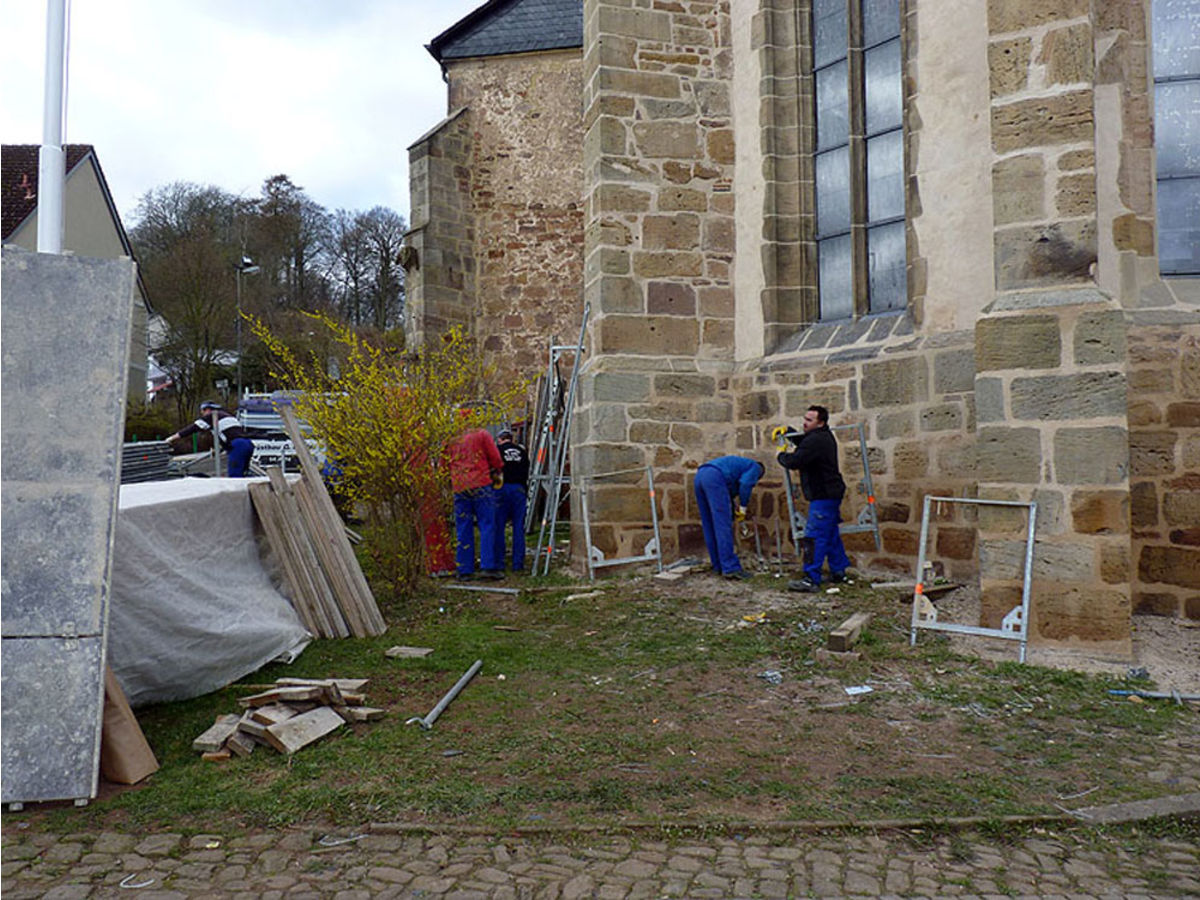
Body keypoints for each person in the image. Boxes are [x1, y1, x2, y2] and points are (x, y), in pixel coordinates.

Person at [777, 405, 851, 592]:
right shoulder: (822, 436)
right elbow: (806, 443)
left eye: (809, 420)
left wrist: (781, 455)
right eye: (805, 418)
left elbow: (796, 461)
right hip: (830, 494)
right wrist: (790, 433)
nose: (805, 422)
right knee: (831, 535)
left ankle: (811, 578)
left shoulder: (817, 440)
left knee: (814, 537)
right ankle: (838, 571)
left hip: (823, 496)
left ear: (821, 423)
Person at [448, 414, 504, 580]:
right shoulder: (482, 434)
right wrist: (497, 469)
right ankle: (488, 567)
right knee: (487, 524)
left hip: (459, 486)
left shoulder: (451, 439)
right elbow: (495, 458)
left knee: (463, 527)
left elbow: (444, 462)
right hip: (481, 483)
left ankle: (464, 569)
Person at [693, 455, 765, 580]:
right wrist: (743, 507)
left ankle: (717, 565)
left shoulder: (739, 466)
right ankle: (730, 567)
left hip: (700, 475)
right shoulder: (755, 467)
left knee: (709, 523)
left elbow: (729, 491)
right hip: (715, 477)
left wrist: (731, 507)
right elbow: (746, 484)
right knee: (722, 525)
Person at [165, 401, 256, 477]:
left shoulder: (212, 416)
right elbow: (227, 435)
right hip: (248, 444)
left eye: (203, 412)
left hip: (238, 446)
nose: (202, 415)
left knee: (235, 477)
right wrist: (219, 450)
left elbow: (193, 428)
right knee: (244, 475)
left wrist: (172, 438)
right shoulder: (228, 416)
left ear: (207, 410)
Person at [492, 429, 530, 573]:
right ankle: (518, 564)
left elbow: (494, 469)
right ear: (512, 439)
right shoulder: (521, 451)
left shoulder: (497, 450)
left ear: (500, 439)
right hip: (519, 490)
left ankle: (499, 563)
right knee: (518, 527)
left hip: (501, 488)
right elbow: (527, 470)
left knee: (499, 526)